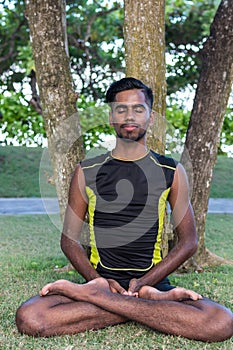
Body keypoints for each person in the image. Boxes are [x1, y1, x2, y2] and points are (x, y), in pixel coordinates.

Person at [16, 77, 233, 342]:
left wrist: (145, 284)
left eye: (138, 109)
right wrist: (98, 283)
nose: (129, 115)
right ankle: (151, 304)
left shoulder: (171, 171)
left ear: (150, 118)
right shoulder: (87, 171)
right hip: (100, 280)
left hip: (152, 282)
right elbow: (69, 241)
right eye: (121, 109)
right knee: (30, 317)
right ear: (111, 117)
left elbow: (188, 242)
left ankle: (124, 299)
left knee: (221, 322)